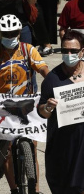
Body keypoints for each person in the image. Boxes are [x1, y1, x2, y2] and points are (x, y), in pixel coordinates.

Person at [0, 14, 49, 194]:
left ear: (19, 33)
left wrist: (52, 84)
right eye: (6, 33)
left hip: (26, 105)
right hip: (2, 108)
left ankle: (35, 191)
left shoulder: (28, 50)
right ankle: (14, 189)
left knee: (33, 148)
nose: (10, 36)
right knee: (5, 150)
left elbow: (44, 69)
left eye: (14, 32)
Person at [38, 30, 84, 194]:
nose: (68, 54)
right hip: (63, 148)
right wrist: (48, 107)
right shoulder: (52, 79)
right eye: (65, 51)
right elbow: (42, 111)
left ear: (82, 52)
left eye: (73, 51)